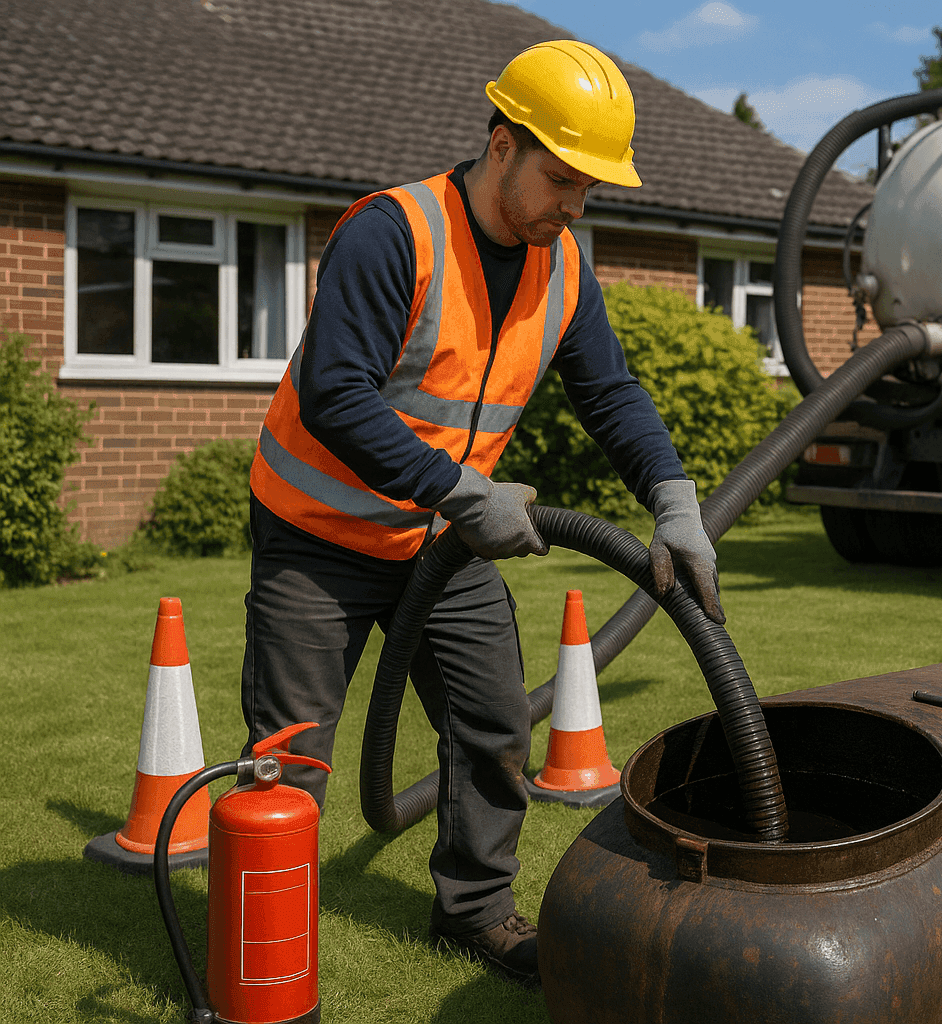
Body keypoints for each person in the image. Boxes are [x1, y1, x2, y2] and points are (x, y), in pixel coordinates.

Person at [241, 40, 722, 989]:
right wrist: (466, 494)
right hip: (316, 537)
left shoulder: (563, 265)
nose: (575, 205)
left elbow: (613, 397)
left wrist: (673, 502)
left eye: (591, 187)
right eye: (562, 179)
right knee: (287, 764)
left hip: (440, 542)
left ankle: (473, 911)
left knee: (494, 724)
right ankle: (262, 953)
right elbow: (338, 394)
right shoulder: (395, 232)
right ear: (502, 144)